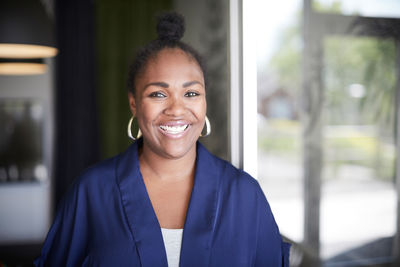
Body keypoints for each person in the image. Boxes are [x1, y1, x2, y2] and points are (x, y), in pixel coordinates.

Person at [35, 12, 290, 267]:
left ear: (205, 101)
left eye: (191, 93)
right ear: (134, 103)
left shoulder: (244, 195)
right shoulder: (91, 191)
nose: (177, 109)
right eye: (158, 94)